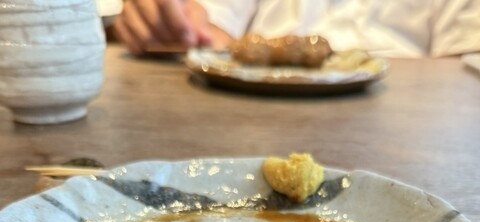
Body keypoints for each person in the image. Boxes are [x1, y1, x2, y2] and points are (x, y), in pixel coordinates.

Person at [112, 0, 480, 58]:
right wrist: (173, 22)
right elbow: (210, 27)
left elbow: (466, 65)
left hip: (409, 140)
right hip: (256, 115)